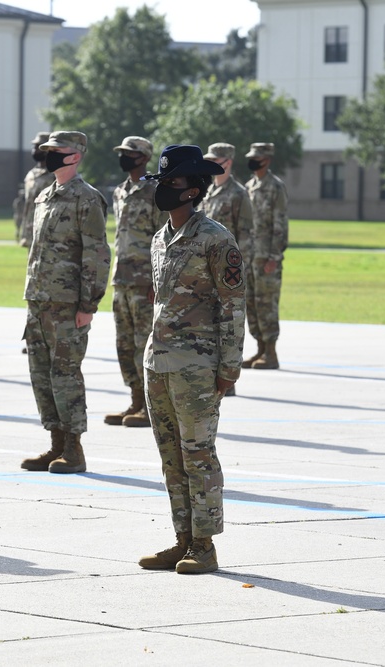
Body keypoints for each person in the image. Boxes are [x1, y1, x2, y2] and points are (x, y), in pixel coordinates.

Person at [137, 144, 245, 574]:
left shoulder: (216, 239)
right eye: (161, 182)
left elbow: (233, 306)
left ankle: (204, 545)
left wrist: (229, 368)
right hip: (159, 362)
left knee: (198, 454)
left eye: (172, 182)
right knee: (171, 457)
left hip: (197, 366)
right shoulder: (160, 238)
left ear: (193, 189)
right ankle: (182, 539)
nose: (163, 189)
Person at [19, 131, 110, 474]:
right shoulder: (44, 196)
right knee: (41, 375)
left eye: (56, 151)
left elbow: (98, 254)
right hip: (39, 300)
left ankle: (74, 448)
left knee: (66, 375)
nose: (49, 156)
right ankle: (55, 443)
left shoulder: (87, 199)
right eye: (48, 151)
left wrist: (89, 303)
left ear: (75, 155)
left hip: (68, 303)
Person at [104, 136, 165, 428]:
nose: (123, 157)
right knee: (124, 344)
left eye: (129, 153)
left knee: (144, 343)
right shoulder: (120, 192)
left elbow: (163, 240)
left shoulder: (156, 192)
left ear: (143, 157)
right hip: (122, 279)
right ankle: (135, 399)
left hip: (145, 281)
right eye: (122, 153)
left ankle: (150, 405)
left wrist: (158, 280)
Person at [200, 143, 252, 395]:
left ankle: (227, 379)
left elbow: (245, 235)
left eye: (215, 160)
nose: (211, 163)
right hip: (206, 268)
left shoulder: (239, 194)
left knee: (228, 324)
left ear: (228, 162)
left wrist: (239, 272)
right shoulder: (208, 191)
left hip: (228, 271)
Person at [243, 142, 289, 370]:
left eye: (257, 158)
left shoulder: (275, 187)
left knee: (266, 304)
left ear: (267, 160)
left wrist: (274, 257)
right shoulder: (249, 186)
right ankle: (260, 348)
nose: (252, 161)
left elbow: (279, 224)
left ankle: (271, 353)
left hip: (266, 258)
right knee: (251, 303)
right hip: (250, 257)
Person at [20, 131, 54, 248]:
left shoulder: (55, 175)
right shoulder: (31, 174)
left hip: (48, 233)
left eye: (38, 146)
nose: (34, 149)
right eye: (34, 146)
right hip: (31, 230)